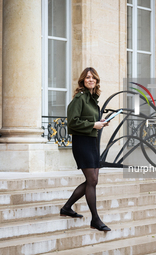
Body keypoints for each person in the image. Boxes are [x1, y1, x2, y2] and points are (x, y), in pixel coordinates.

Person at [60, 67, 111, 232]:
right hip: (82, 143)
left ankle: (67, 207)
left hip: (92, 142)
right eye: (88, 77)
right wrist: (93, 125)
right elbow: (72, 123)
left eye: (93, 78)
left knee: (93, 180)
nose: (91, 80)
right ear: (82, 80)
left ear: (96, 81)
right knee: (92, 180)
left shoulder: (92, 100)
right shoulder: (79, 98)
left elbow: (89, 121)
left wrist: (100, 122)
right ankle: (95, 219)